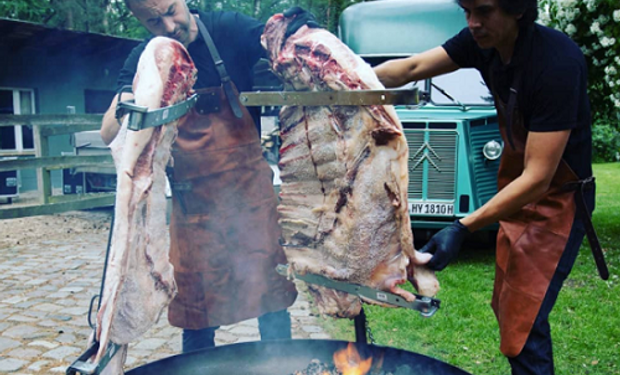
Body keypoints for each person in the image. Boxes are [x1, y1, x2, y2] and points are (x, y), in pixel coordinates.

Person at [374, 0, 601, 373]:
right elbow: (410, 69)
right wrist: (343, 77)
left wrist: (461, 227)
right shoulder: (481, 42)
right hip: (516, 193)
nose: (473, 22)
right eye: (466, 10)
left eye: (483, 11)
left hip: (557, 201)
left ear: (518, 8)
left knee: (523, 322)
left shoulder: (558, 62)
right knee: (510, 307)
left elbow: (539, 176)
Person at [100, 0, 318, 353]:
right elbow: (108, 132)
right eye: (154, 21)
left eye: (171, 11)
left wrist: (298, 29)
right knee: (196, 315)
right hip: (195, 209)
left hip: (251, 200)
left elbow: (279, 42)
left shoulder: (227, 28)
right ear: (139, 21)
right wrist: (130, 99)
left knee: (273, 304)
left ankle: (281, 364)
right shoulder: (146, 58)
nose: (169, 27)